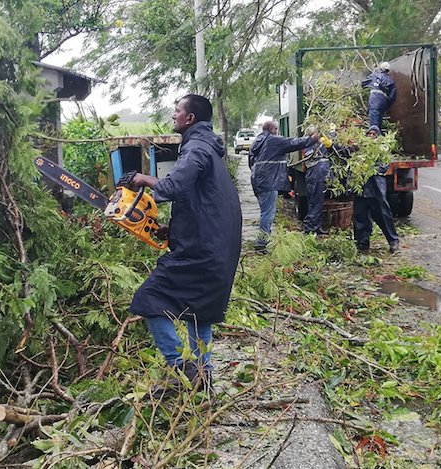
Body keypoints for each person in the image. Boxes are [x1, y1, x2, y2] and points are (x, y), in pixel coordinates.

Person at [127, 94, 242, 397]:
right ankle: (203, 380)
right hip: (218, 246)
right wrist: (171, 228)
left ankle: (183, 370)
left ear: (189, 119)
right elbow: (201, 200)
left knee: (149, 300)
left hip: (202, 250)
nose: (173, 114)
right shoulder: (209, 148)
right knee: (198, 312)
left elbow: (173, 186)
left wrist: (143, 178)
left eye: (177, 111)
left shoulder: (196, 148)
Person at [249, 121, 318, 251]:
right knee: (268, 213)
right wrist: (312, 139)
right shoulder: (273, 140)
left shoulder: (258, 141)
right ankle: (262, 243)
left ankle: (263, 239)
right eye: (276, 128)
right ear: (272, 129)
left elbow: (251, 161)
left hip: (258, 180)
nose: (277, 131)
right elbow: (294, 143)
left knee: (265, 211)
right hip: (269, 181)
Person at [353, 126, 400, 253]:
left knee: (383, 216)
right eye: (369, 134)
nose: (371, 136)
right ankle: (362, 244)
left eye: (374, 134)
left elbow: (383, 167)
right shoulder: (359, 150)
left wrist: (370, 168)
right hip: (361, 190)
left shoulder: (382, 150)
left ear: (378, 136)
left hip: (376, 189)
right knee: (360, 217)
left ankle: (393, 241)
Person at [361, 62, 397, 131]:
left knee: (373, 126)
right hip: (382, 105)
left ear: (380, 68)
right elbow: (392, 98)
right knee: (378, 124)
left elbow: (363, 83)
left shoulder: (374, 76)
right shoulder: (391, 81)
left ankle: (374, 140)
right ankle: (378, 138)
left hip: (374, 103)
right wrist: (386, 106)